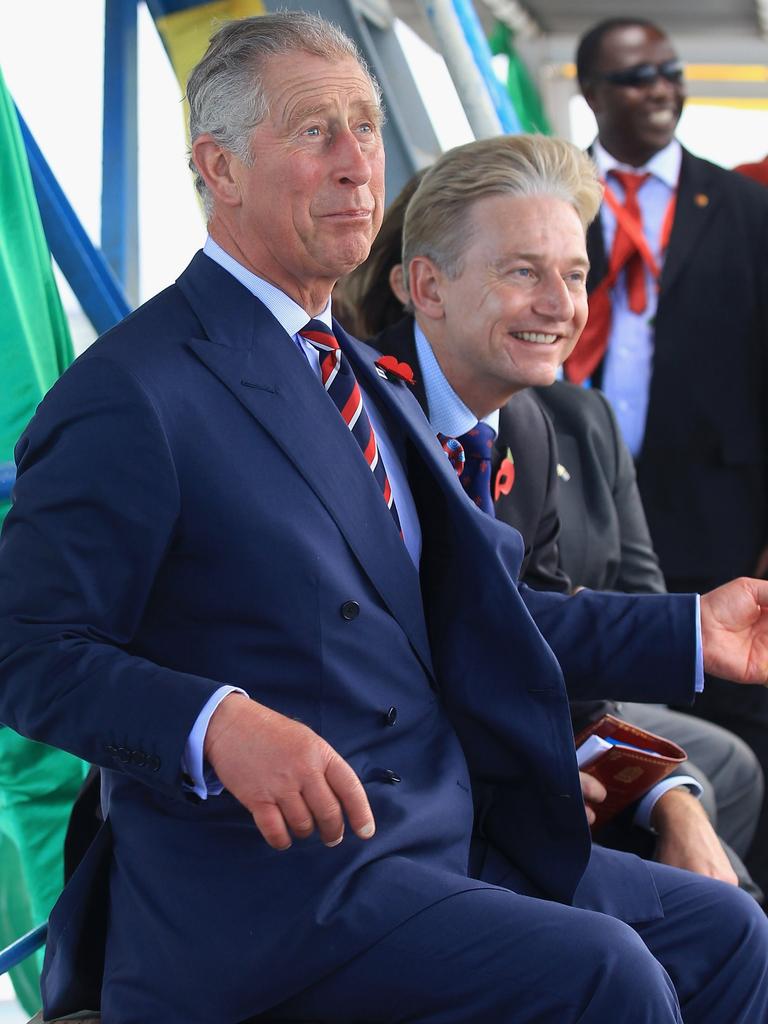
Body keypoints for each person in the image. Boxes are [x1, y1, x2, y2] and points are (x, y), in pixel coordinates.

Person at [2, 15, 768, 1024]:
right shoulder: (135, 390)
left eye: (366, 126)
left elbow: (487, 609)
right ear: (216, 168)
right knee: (604, 972)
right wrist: (211, 723)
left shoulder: (362, 378)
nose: (359, 163)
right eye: (315, 130)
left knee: (729, 935)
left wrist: (692, 631)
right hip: (277, 892)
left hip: (433, 838)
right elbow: (29, 646)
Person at [345, 158, 763, 891]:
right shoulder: (356, 423)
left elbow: (533, 633)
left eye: (574, 276)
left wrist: (666, 793)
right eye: (523, 273)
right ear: (425, 287)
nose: (561, 306)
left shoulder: (529, 428)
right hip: (379, 832)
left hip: (498, 789)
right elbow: (398, 658)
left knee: (726, 914)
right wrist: (538, 765)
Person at [570, 14, 768, 894]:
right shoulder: (551, 196)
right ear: (589, 93)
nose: (659, 87)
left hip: (721, 518)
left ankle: (739, 917)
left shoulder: (745, 210)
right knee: (602, 712)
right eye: (635, 76)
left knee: (734, 728)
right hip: (580, 516)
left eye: (669, 71)